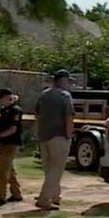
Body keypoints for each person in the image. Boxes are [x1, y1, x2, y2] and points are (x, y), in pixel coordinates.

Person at [34, 69, 75, 210]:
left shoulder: (43, 95)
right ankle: (44, 198)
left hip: (44, 136)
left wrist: (38, 133)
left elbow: (37, 115)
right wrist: (69, 135)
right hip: (59, 136)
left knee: (49, 168)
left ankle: (55, 196)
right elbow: (69, 117)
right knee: (57, 169)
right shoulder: (65, 96)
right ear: (63, 81)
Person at [0, 89, 24, 205]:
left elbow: (13, 129)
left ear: (8, 97)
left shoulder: (15, 110)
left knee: (2, 170)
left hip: (12, 143)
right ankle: (16, 193)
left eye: (1, 98)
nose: (0, 101)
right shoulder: (4, 110)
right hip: (3, 142)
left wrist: (0, 135)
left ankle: (0, 196)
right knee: (9, 169)